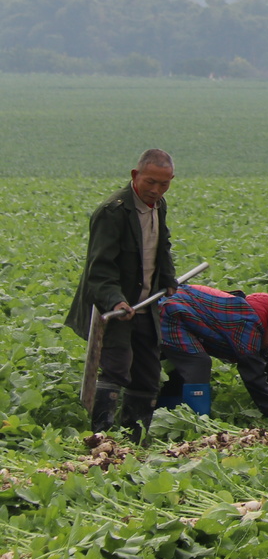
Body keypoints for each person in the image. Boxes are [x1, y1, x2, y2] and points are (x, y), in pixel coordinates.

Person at [64, 149, 180, 439]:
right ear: (135, 176)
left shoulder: (159, 205)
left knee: (147, 373)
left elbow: (161, 245)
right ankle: (101, 439)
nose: (156, 190)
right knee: (116, 369)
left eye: (163, 184)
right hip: (114, 307)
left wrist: (168, 279)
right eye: (150, 182)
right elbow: (99, 269)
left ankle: (134, 440)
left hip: (145, 303)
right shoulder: (112, 212)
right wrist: (115, 299)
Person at [154, 284, 268, 428]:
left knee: (185, 364)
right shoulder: (247, 323)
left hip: (181, 310)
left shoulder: (258, 324)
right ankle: (195, 423)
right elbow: (254, 376)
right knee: (198, 363)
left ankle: (167, 410)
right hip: (172, 312)